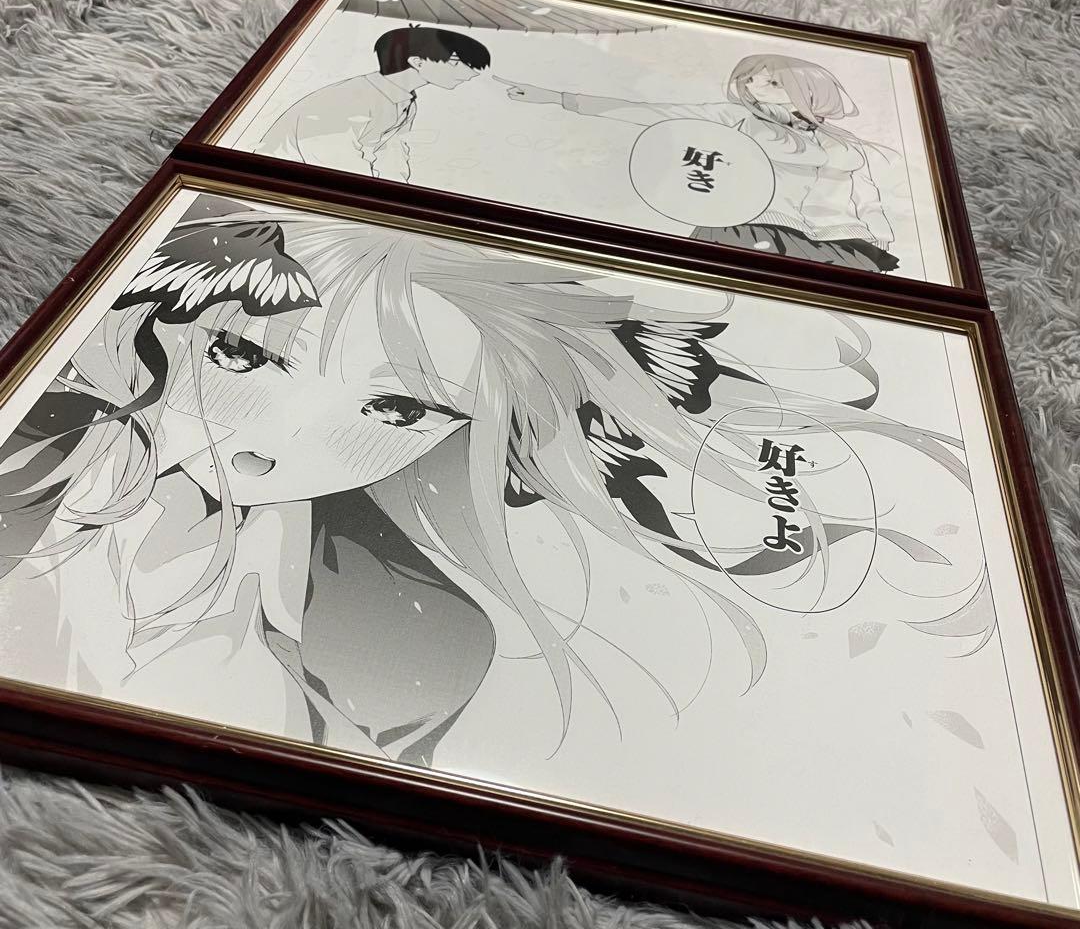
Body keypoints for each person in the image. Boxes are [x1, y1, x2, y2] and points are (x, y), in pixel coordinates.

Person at [0, 198, 981, 767]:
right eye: (245, 354)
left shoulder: (421, 647)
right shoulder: (34, 439)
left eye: (398, 411)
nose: (270, 448)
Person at [496, 53, 901, 273]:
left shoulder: (842, 143)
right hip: (754, 228)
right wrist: (559, 99)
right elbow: (654, 112)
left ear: (809, 91)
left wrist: (880, 235)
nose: (754, 86)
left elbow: (866, 196)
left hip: (837, 240)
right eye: (752, 79)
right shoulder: (737, 118)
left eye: (773, 81)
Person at [257, 25, 491, 183]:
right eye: (456, 62)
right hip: (283, 187)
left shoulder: (405, 102)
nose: (471, 73)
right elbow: (336, 168)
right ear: (417, 62)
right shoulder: (346, 100)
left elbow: (392, 153)